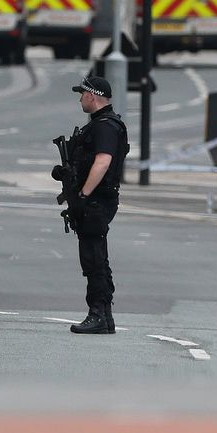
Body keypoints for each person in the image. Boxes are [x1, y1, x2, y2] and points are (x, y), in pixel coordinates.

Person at [66, 76, 129, 335]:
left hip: (97, 199)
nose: (80, 98)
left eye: (82, 94)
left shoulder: (105, 126)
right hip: (96, 198)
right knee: (95, 256)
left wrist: (83, 194)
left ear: (92, 96)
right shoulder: (102, 125)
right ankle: (105, 315)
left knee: (93, 258)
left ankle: (98, 314)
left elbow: (103, 162)